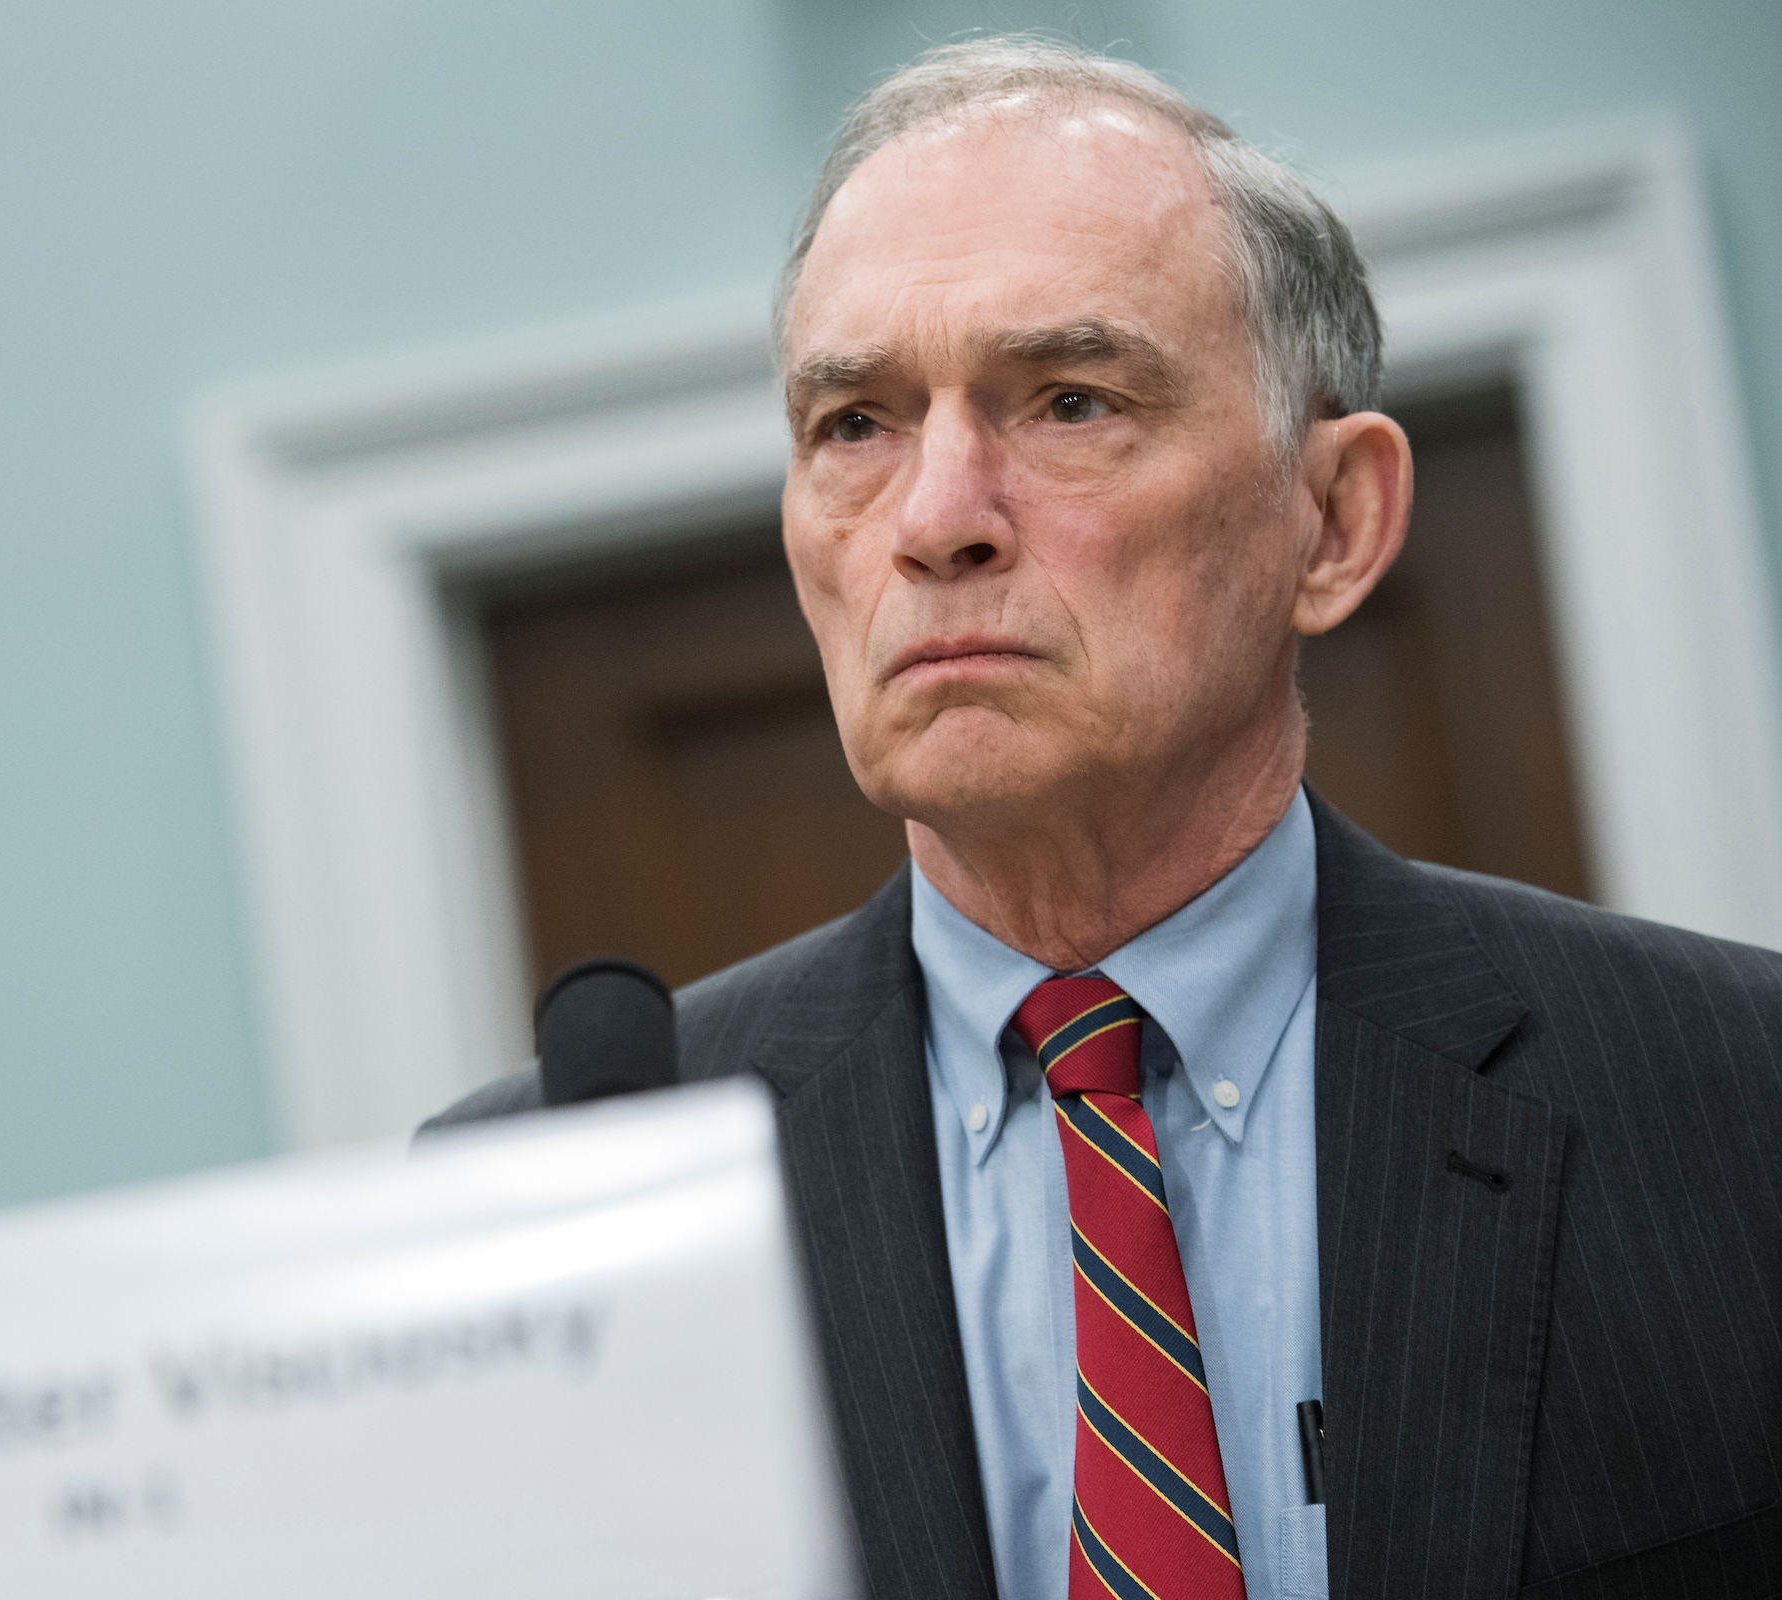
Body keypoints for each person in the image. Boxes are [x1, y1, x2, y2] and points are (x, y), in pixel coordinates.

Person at [424, 36, 1781, 1600]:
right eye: (855, 425)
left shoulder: (1740, 1105)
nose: (935, 520)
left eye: (1070, 400)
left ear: (1333, 522)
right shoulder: (541, 1214)